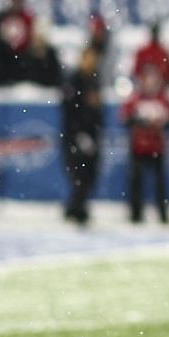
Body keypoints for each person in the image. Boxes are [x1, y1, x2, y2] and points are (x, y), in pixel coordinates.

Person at [122, 63, 169, 224]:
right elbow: (124, 118)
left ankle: (162, 213)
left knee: (160, 183)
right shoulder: (136, 99)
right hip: (139, 147)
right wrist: (140, 121)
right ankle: (136, 213)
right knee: (137, 182)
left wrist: (160, 122)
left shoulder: (163, 99)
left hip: (157, 147)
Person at [60, 47, 104, 225]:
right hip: (75, 137)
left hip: (92, 136)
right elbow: (69, 112)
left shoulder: (94, 80)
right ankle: (75, 209)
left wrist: (95, 133)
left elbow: (98, 112)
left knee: (89, 175)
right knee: (79, 175)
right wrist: (78, 134)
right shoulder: (74, 81)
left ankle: (77, 208)